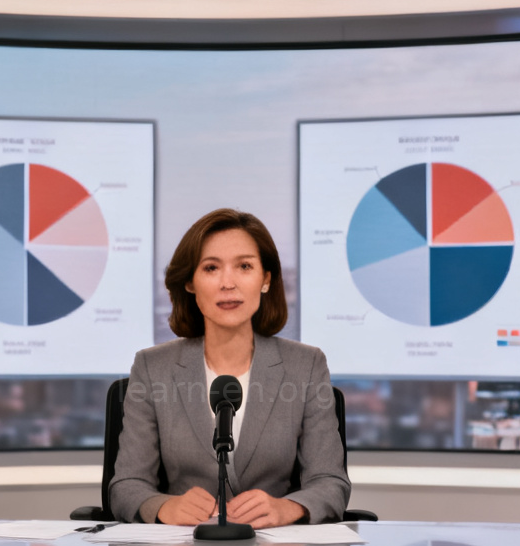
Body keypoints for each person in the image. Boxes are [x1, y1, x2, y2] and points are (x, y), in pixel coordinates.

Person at [109, 208, 351, 527]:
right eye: (211, 268)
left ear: (265, 279)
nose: (228, 283)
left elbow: (330, 482)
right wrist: (163, 507)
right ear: (190, 283)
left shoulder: (306, 366)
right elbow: (125, 486)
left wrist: (288, 508)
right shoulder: (152, 368)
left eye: (245, 266)